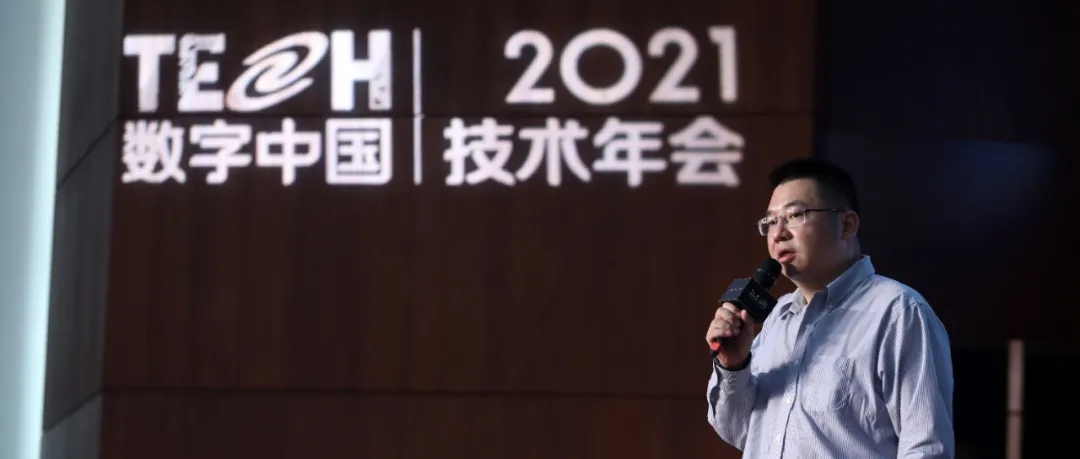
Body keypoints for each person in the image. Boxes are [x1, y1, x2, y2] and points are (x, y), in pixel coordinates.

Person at [705, 158, 955, 458]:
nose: (778, 233)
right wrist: (734, 365)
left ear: (847, 225)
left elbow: (926, 447)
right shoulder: (778, 318)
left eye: (794, 215)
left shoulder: (898, 312)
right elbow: (740, 432)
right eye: (770, 222)